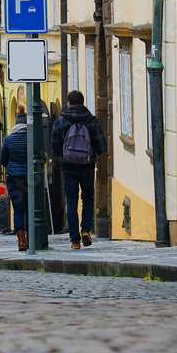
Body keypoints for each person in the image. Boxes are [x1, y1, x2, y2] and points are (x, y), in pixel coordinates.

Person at [51, 89, 107, 249]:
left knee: (71, 202)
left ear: (68, 103)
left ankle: (75, 240)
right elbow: (101, 146)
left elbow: (54, 146)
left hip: (68, 167)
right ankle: (86, 230)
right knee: (88, 199)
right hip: (87, 166)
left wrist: (64, 156)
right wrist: (91, 154)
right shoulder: (91, 120)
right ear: (82, 102)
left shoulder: (60, 121)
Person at [0, 104, 29, 251]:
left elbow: (2, 160)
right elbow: (40, 157)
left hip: (13, 177)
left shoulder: (8, 139)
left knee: (18, 210)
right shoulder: (32, 138)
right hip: (30, 178)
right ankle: (31, 239)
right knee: (31, 208)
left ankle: (21, 241)